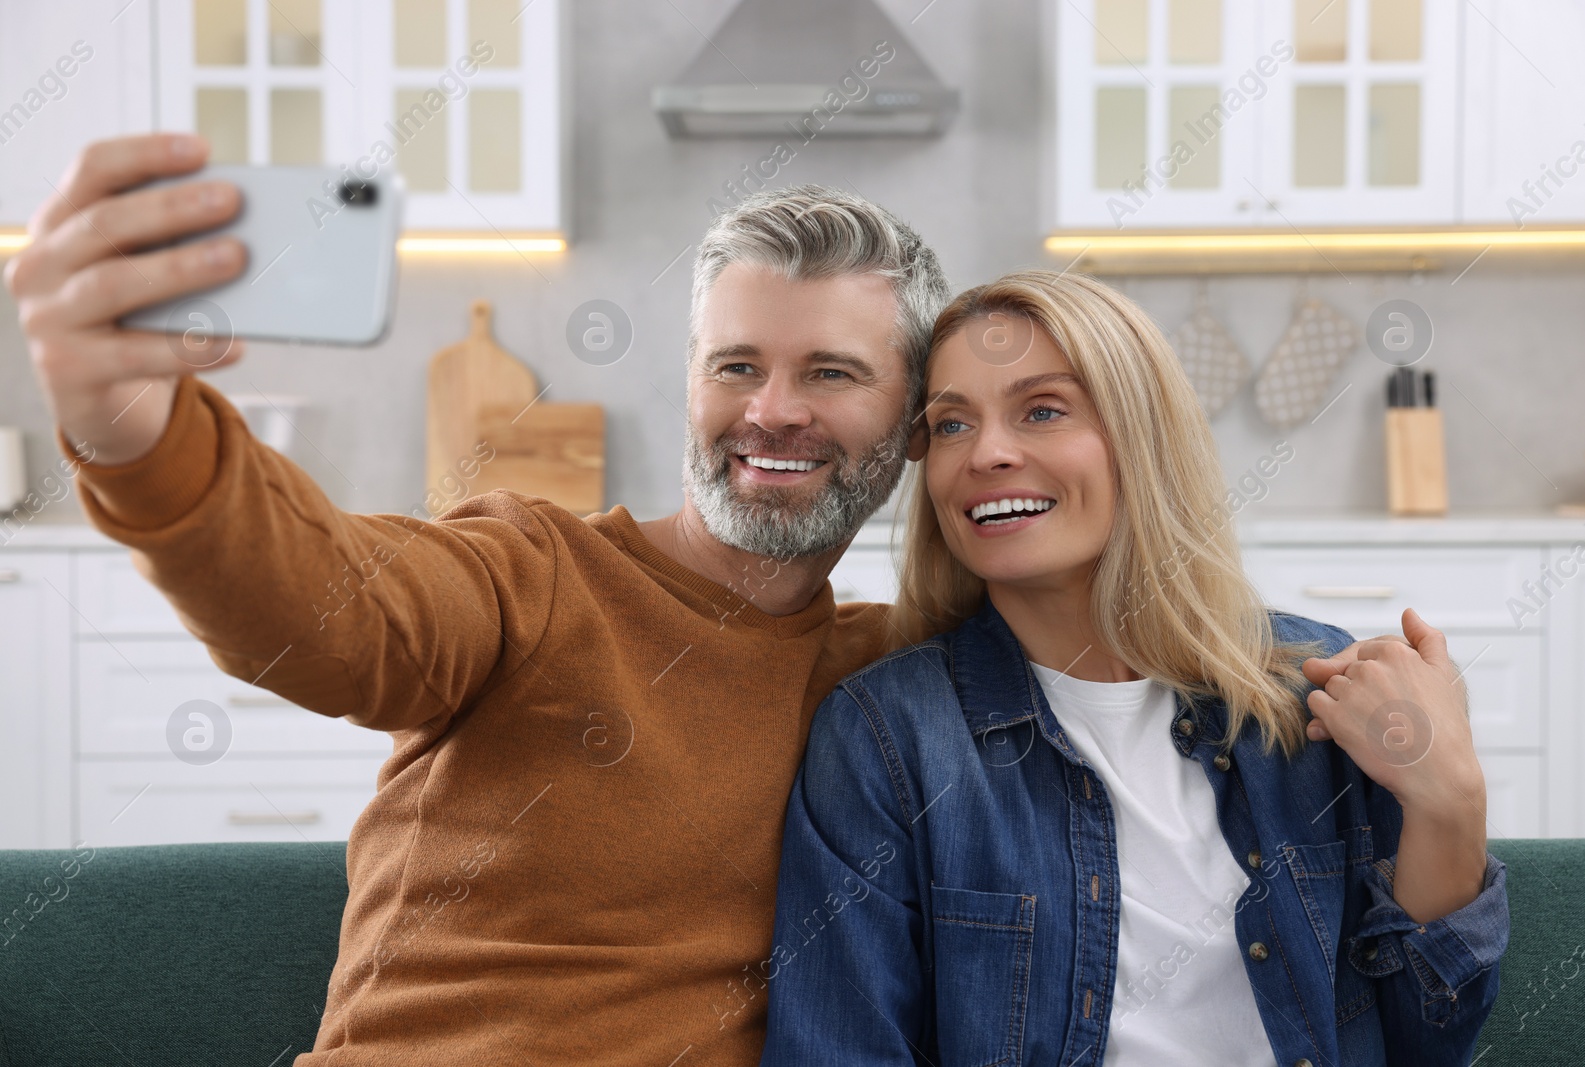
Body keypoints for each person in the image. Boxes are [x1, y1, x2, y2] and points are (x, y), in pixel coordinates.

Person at [4, 132, 951, 1065]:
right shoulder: (534, 571)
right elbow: (330, 614)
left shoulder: (889, 677)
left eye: (829, 371)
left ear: (916, 424)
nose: (769, 409)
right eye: (735, 365)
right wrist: (136, 430)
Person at [759, 270, 1508, 1066]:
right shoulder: (887, 736)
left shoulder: (1312, 690)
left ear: (1141, 436)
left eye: (1043, 410)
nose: (987, 453)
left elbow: (1429, 1041)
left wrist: (1449, 799)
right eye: (950, 425)